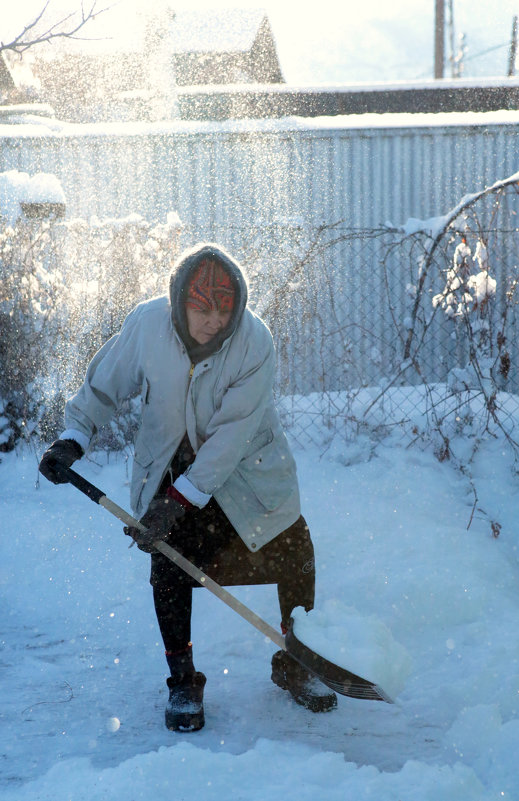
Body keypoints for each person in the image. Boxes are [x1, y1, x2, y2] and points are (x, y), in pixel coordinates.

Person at [39, 242, 336, 732]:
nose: (215, 321)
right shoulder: (148, 325)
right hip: (170, 470)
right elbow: (102, 386)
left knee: (294, 549)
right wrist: (75, 437)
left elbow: (230, 438)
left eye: (225, 311)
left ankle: (298, 661)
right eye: (204, 309)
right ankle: (182, 680)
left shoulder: (254, 342)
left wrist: (178, 504)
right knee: (169, 562)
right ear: (180, 302)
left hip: (250, 478)